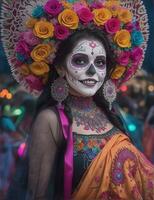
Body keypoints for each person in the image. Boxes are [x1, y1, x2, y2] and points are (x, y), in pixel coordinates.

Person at [1, 0, 154, 199]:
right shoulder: (51, 120)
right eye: (80, 60)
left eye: (100, 62)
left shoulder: (110, 112)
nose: (92, 71)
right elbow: (36, 194)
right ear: (60, 67)